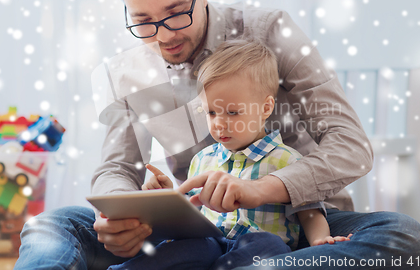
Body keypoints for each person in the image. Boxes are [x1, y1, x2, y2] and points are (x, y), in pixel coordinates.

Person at [14, 0, 420, 269]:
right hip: (194, 235)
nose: (162, 36)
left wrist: (261, 189)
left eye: (176, 13)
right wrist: (124, 214)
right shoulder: (123, 72)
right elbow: (116, 169)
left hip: (296, 228)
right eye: (142, 21)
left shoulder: (271, 31)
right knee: (52, 226)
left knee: (402, 236)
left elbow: (350, 145)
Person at [108, 41, 353, 270]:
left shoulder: (287, 160)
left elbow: (310, 212)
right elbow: (190, 216)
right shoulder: (202, 160)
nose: (219, 124)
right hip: (210, 242)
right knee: (186, 247)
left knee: (271, 246)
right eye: (211, 112)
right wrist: (165, 196)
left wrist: (322, 241)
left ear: (266, 108)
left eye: (233, 113)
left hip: (255, 246)